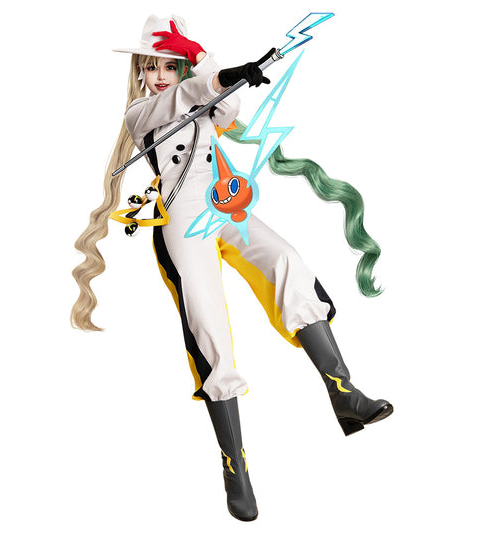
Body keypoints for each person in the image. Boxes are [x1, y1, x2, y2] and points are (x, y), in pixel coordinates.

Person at [71, 15, 393, 522]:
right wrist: (215, 74)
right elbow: (188, 96)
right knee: (209, 324)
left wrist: (204, 57)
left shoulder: (196, 90)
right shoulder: (141, 111)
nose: (160, 76)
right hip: (180, 216)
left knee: (286, 261)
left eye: (170, 66)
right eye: (151, 67)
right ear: (139, 72)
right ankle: (235, 468)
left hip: (222, 204)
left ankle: (344, 393)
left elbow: (229, 108)